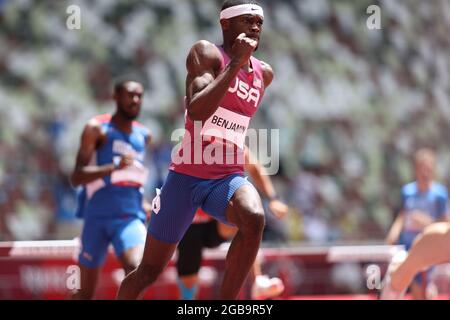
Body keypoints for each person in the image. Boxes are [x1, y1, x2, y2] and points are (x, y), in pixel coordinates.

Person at [117, 0, 275, 300]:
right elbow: (198, 111)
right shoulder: (205, 53)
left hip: (226, 177)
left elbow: (231, 123)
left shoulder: (264, 74)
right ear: (225, 23)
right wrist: (234, 65)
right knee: (149, 270)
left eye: (259, 22)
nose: (255, 27)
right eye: (246, 20)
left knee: (254, 218)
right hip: (186, 177)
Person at [70, 79, 152, 299]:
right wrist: (113, 166)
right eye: (129, 95)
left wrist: (144, 204)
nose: (135, 100)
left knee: (137, 270)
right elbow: (76, 177)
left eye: (139, 95)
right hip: (96, 216)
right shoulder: (97, 129)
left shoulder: (144, 135)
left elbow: (133, 179)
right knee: (84, 293)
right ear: (115, 97)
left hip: (129, 217)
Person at [176, 149, 288, 300]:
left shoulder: (232, 142)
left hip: (215, 223)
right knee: (188, 289)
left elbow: (254, 167)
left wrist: (273, 198)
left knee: (245, 218)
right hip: (189, 226)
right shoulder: (192, 147)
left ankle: (257, 282)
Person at [383, 148, 449, 299]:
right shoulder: (407, 191)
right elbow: (402, 215)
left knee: (421, 287)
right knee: (408, 283)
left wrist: (426, 222)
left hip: (428, 245)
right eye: (422, 167)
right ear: (415, 169)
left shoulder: (439, 194)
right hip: (407, 244)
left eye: (429, 168)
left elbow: (446, 223)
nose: (425, 172)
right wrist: (393, 233)